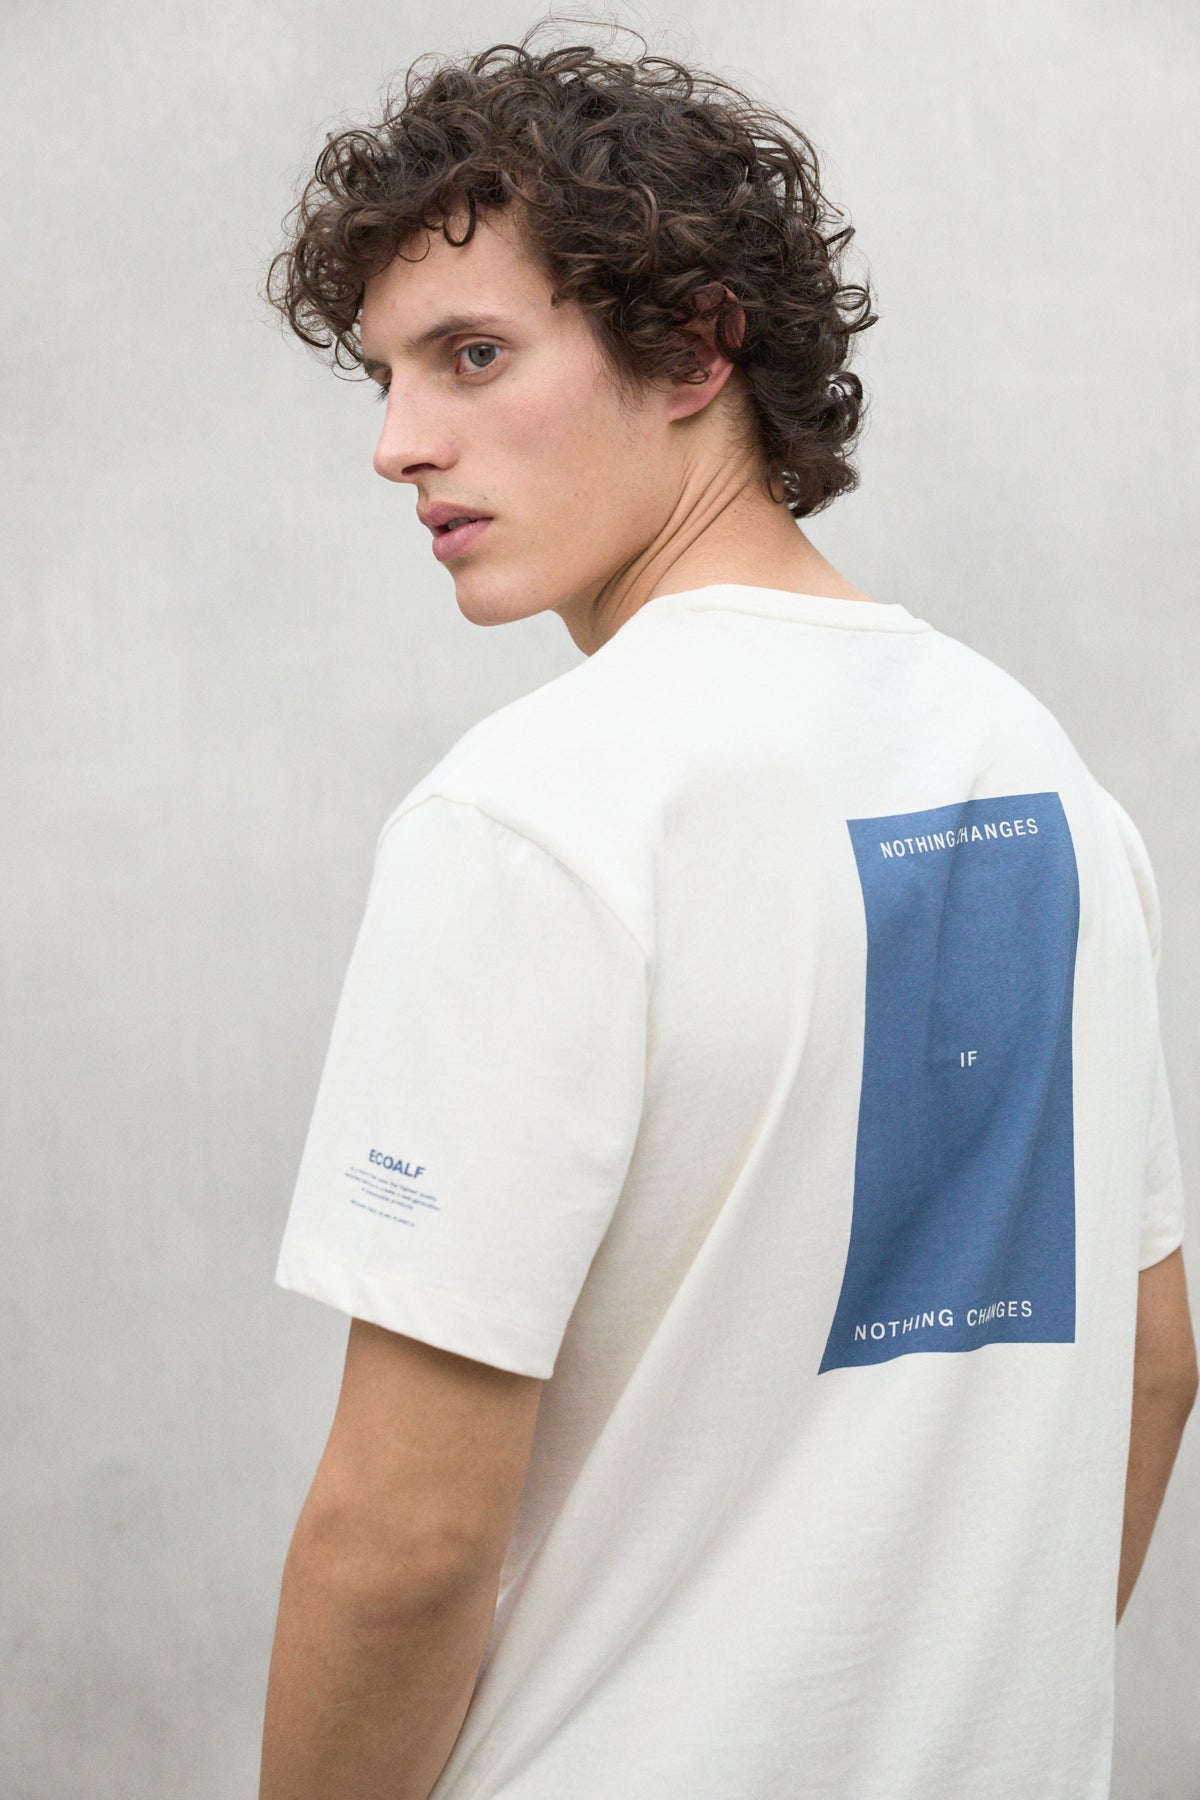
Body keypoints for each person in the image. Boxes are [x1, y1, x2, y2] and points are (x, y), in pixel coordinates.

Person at [258, 21, 1196, 1800]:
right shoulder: (1048, 780)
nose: (397, 444)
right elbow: (1154, 1366)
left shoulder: (537, 821)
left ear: (696, 348)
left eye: (472, 355)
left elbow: (402, 1540)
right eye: (385, 376)